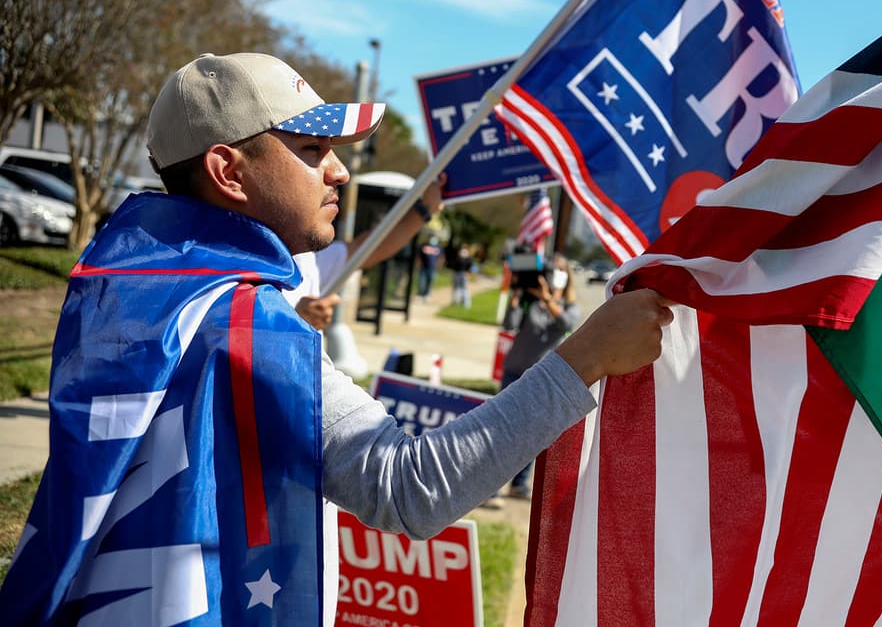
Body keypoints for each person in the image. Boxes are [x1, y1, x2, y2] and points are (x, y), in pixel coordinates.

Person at [0, 52, 674, 626]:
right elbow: (411, 489)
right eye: (313, 151)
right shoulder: (243, 324)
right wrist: (586, 357)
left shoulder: (128, 285)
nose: (340, 172)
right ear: (229, 172)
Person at [290, 173, 446, 331]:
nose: (341, 172)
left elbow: (367, 248)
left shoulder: (305, 259)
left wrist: (425, 210)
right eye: (312, 148)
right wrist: (292, 326)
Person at [497, 252, 580, 500]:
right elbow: (508, 324)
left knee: (531, 434)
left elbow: (565, 324)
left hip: (541, 378)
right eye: (550, 269)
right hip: (514, 371)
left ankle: (519, 483)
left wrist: (546, 298)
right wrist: (516, 296)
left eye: (559, 269)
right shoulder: (528, 301)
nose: (553, 273)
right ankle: (491, 486)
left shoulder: (570, 306)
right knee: (502, 429)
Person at [451, 243, 474, 308]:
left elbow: (470, 266)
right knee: (456, 288)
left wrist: (468, 273)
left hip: (463, 273)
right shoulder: (458, 256)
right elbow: (454, 264)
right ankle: (455, 301)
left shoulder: (468, 257)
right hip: (457, 273)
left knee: (464, 289)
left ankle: (466, 303)